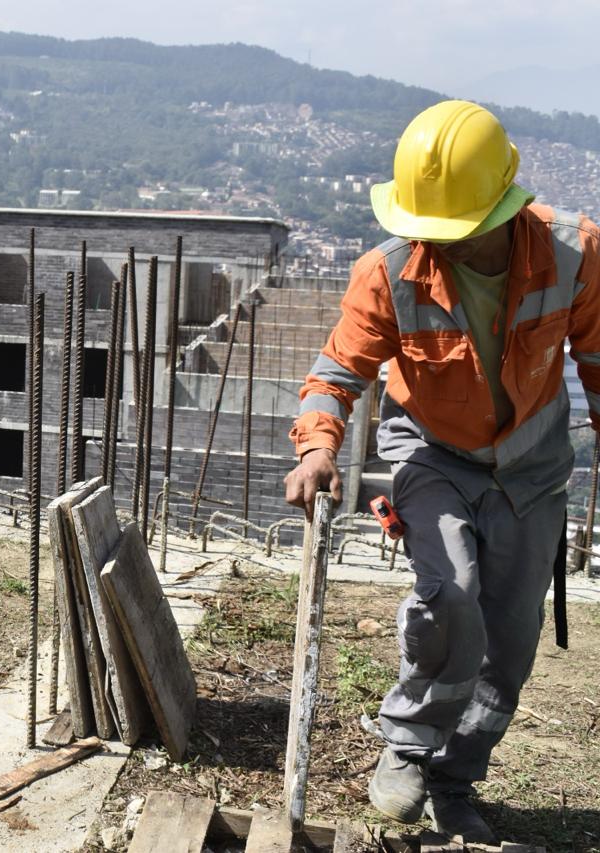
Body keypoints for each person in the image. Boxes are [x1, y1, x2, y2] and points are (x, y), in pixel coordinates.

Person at [284, 100, 600, 842]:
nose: (436, 242)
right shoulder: (389, 270)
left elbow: (598, 355)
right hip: (430, 451)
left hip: (532, 467)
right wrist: (318, 446)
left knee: (511, 637)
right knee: (450, 595)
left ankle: (457, 779)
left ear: (504, 204)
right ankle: (408, 748)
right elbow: (336, 372)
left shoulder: (574, 252)